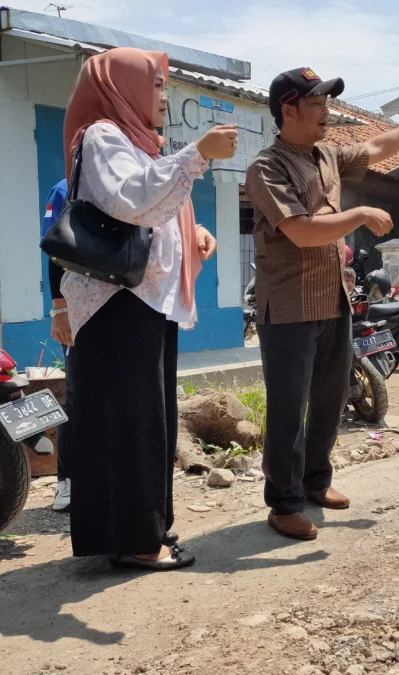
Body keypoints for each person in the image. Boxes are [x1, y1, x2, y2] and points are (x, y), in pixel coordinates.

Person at [244, 66, 399, 542]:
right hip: (289, 305)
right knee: (290, 406)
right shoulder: (267, 168)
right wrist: (358, 213)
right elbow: (300, 230)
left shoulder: (327, 155)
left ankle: (316, 483)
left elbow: (376, 148)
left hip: (332, 299)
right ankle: (284, 503)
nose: (326, 112)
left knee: (331, 398)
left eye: (326, 103)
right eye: (316, 104)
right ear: (287, 110)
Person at [62, 48, 236, 570]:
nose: (164, 98)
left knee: (147, 421)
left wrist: (193, 232)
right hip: (118, 304)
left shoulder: (138, 141)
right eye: (155, 86)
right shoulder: (102, 136)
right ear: (122, 89)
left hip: (143, 300)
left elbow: (154, 211)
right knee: (130, 424)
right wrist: (196, 154)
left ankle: (145, 529)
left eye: (164, 87)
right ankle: (136, 540)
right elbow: (130, 200)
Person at [41, 179, 73, 512]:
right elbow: (55, 251)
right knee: (77, 394)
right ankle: (67, 480)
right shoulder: (65, 187)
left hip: (120, 309)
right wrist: (60, 310)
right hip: (77, 308)